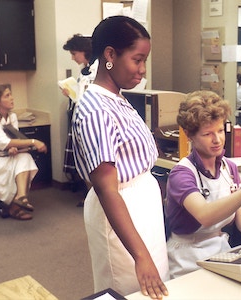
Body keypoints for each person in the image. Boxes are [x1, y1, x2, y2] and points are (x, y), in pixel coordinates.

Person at [71, 16, 169, 298]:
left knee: (153, 288)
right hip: (121, 214)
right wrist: (140, 255)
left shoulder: (116, 97)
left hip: (141, 210)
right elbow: (107, 189)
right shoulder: (96, 109)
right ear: (110, 54)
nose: (142, 70)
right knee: (130, 289)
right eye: (137, 60)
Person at [165, 90, 241, 279]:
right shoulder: (182, 174)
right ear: (189, 135)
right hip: (186, 258)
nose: (217, 139)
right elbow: (205, 216)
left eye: (220, 130)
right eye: (208, 133)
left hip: (220, 253)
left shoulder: (229, 167)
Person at [0, 84, 47, 220]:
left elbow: (11, 140)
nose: (12, 98)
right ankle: (15, 205)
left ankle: (20, 198)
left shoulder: (11, 116)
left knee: (25, 158)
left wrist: (13, 148)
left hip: (1, 155)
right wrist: (33, 141)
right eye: (7, 96)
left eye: (11, 95)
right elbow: (4, 143)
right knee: (18, 164)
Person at [62, 34, 97, 206]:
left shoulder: (97, 70)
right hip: (80, 119)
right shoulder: (85, 70)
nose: (72, 57)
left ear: (84, 51)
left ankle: (95, 198)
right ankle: (91, 197)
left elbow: (90, 99)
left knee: (93, 163)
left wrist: (75, 96)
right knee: (84, 162)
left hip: (91, 121)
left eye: (74, 53)